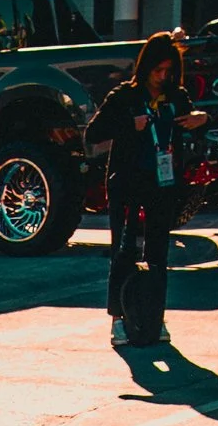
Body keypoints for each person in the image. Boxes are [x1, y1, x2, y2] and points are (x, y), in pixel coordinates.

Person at [86, 32, 209, 343]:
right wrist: (129, 126)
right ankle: (117, 318)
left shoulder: (176, 97)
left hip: (162, 184)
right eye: (158, 70)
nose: (162, 77)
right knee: (123, 251)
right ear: (146, 67)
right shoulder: (124, 96)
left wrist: (202, 119)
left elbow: (198, 126)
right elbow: (93, 133)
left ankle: (155, 317)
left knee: (158, 254)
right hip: (127, 182)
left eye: (169, 71)